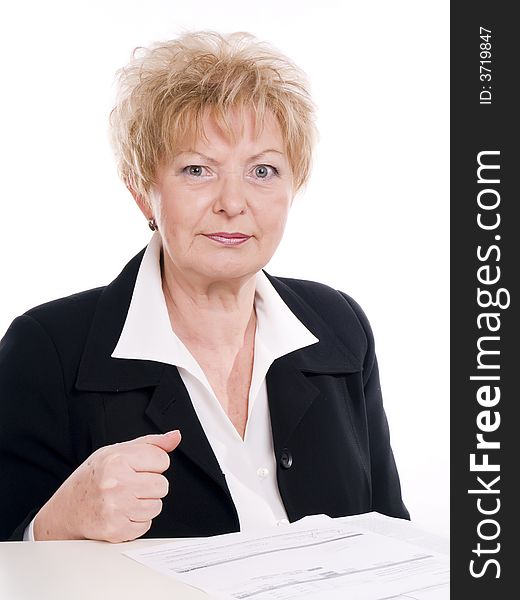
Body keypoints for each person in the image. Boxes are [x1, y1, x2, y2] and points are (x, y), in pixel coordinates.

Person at [0, 30, 409, 543]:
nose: (233, 202)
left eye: (263, 170)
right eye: (197, 169)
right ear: (143, 192)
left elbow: (390, 537)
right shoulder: (48, 346)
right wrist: (57, 523)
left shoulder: (339, 324)